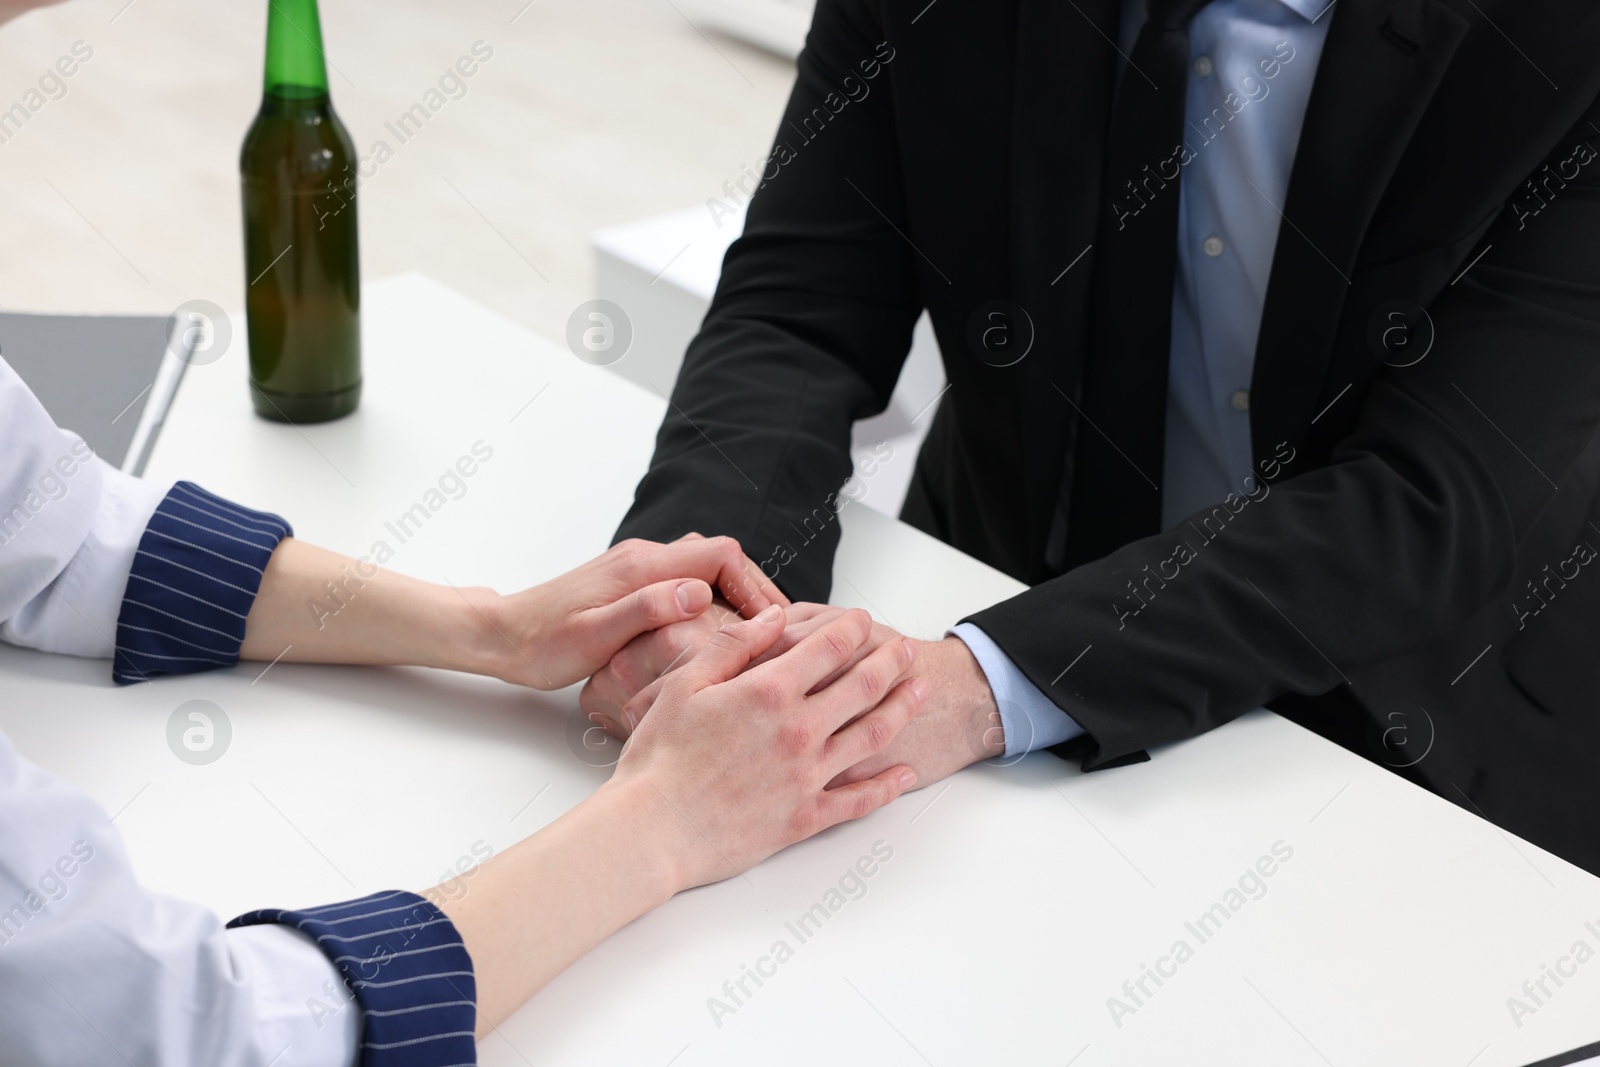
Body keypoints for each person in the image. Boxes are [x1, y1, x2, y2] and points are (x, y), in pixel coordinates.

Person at [588, 0, 1600, 874]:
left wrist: (964, 687)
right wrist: (710, 592)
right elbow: (799, 308)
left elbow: (1435, 499)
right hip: (1004, 602)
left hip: (1413, 713)